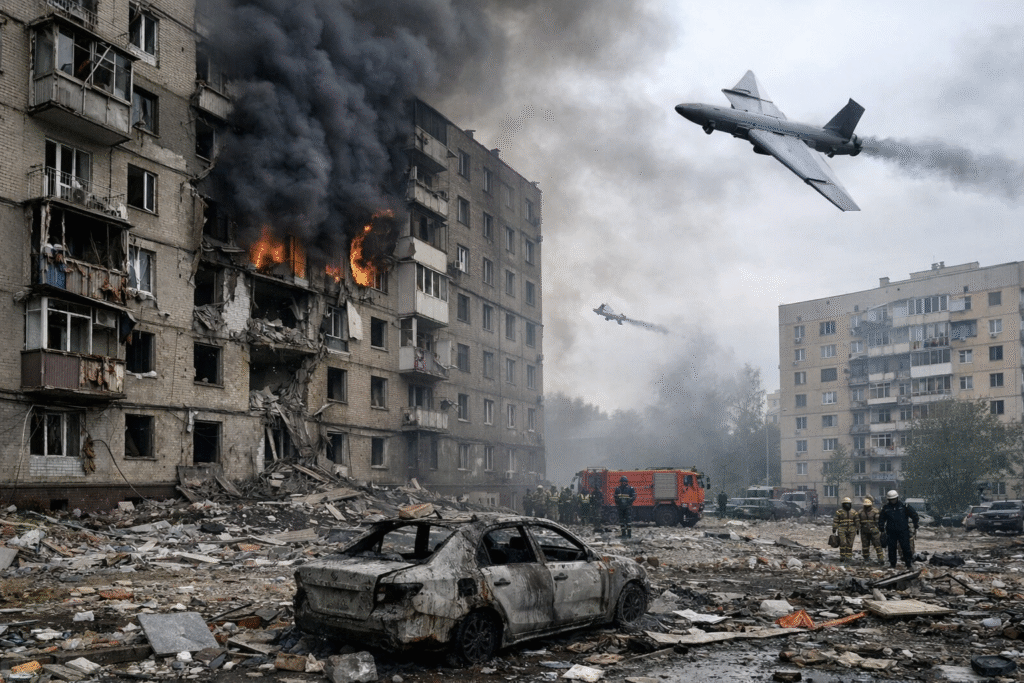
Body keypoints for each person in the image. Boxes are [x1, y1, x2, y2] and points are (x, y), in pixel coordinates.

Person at [878, 489, 919, 570]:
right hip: (891, 532)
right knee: (891, 549)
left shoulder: (904, 506)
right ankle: (892, 564)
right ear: (888, 499)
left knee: (906, 548)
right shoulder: (886, 508)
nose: (893, 501)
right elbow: (881, 519)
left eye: (894, 499)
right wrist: (881, 528)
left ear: (897, 498)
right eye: (891, 499)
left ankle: (909, 564)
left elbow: (914, 515)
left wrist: (915, 523)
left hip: (903, 531)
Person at [857, 497, 885, 563]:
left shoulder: (875, 511)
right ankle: (866, 558)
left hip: (874, 531)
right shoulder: (860, 512)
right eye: (866, 506)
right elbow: (857, 521)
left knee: (877, 545)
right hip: (864, 531)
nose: (867, 507)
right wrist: (857, 528)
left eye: (868, 506)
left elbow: (878, 521)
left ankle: (880, 559)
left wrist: (881, 529)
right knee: (865, 546)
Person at [832, 496, 858, 563]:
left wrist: (858, 528)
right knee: (843, 543)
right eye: (845, 504)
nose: (847, 505)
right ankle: (842, 557)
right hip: (842, 528)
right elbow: (836, 520)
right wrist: (834, 528)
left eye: (848, 504)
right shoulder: (839, 512)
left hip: (852, 529)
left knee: (850, 544)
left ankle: (849, 557)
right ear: (843, 504)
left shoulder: (854, 512)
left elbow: (857, 520)